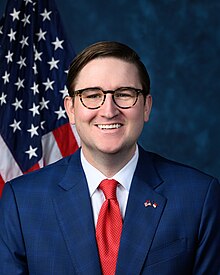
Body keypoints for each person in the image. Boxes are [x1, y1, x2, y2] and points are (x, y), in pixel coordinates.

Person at [0, 41, 220, 275]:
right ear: (71, 109)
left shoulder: (199, 197)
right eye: (92, 95)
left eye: (124, 94)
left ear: (146, 106)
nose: (108, 110)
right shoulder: (21, 201)